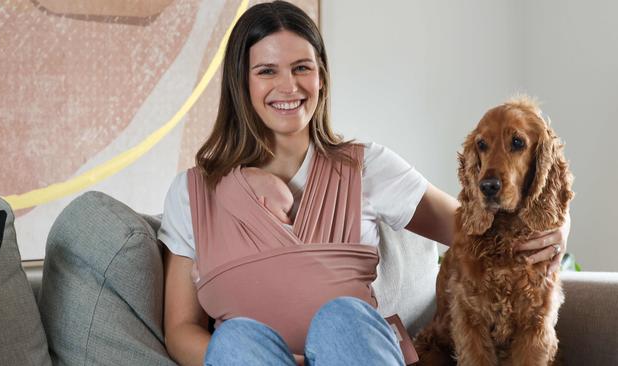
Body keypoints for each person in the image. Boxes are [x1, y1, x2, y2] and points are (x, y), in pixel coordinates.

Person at [158, 2, 571, 365]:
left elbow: (473, 224)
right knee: (233, 338)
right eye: (267, 71)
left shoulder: (367, 166)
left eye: (302, 67)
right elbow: (180, 328)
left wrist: (560, 228)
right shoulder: (193, 194)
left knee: (344, 317)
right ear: (241, 83)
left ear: (321, 76)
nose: (289, 86)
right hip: (251, 359)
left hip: (353, 349)